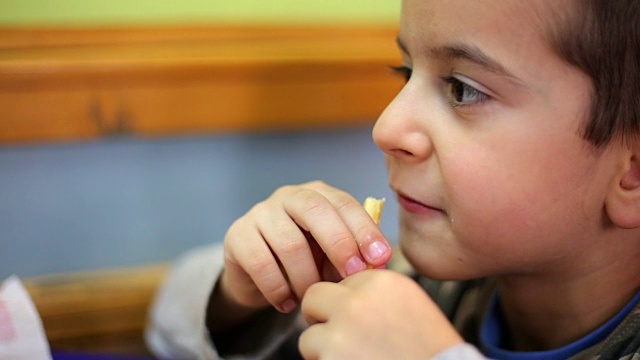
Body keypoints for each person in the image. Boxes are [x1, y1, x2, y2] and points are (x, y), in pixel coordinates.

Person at [145, 0, 640, 358]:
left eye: (463, 90)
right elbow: (166, 327)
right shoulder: (420, 286)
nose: (386, 128)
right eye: (405, 71)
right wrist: (246, 290)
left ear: (632, 174)